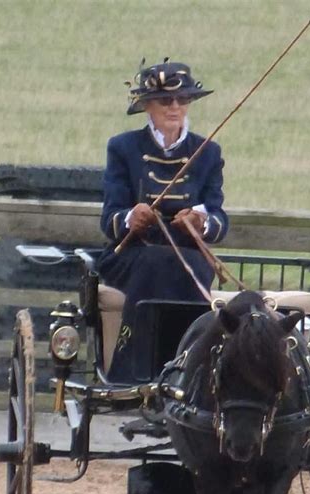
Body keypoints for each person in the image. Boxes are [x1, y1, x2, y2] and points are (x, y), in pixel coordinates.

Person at [98, 59, 228, 382]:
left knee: (195, 267)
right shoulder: (123, 148)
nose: (174, 107)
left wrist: (201, 223)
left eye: (182, 99)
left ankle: (190, 375)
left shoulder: (207, 152)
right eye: (165, 100)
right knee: (153, 263)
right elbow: (109, 217)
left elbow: (219, 218)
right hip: (132, 254)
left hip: (187, 255)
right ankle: (135, 374)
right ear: (146, 106)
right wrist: (132, 218)